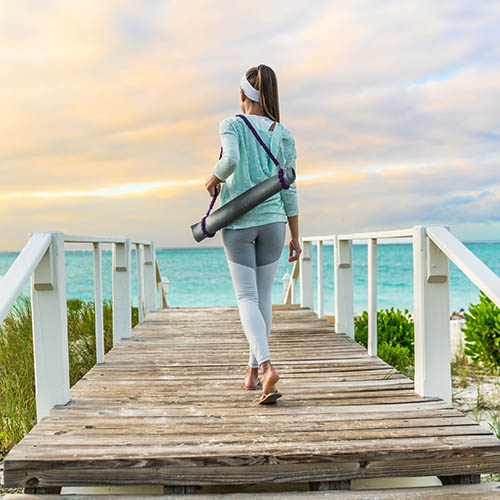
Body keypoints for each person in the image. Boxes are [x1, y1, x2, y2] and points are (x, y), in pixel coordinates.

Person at [205, 64, 301, 404]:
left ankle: (266, 366)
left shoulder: (231, 124)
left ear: (242, 94)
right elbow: (290, 190)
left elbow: (229, 160)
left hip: (240, 223)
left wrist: (214, 178)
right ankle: (250, 374)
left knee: (246, 298)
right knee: (262, 300)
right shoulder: (284, 134)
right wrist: (296, 236)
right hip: (275, 224)